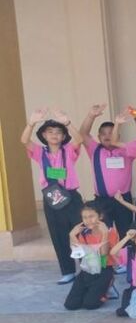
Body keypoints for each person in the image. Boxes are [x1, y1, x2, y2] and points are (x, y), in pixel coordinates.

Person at [21, 108, 84, 284]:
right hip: (51, 197)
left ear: (63, 136)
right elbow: (24, 140)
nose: (54, 135)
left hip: (71, 197)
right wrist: (31, 123)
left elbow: (79, 139)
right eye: (50, 132)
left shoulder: (68, 150)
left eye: (58, 132)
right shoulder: (40, 152)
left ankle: (87, 268)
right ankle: (68, 271)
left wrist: (67, 122)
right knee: (58, 234)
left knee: (81, 233)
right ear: (44, 135)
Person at [76, 104, 134, 235]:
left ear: (118, 135)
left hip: (123, 200)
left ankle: (125, 249)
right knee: (102, 233)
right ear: (99, 136)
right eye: (103, 134)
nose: (107, 136)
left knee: (126, 232)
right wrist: (91, 116)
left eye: (111, 133)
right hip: (102, 200)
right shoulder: (94, 149)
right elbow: (83, 134)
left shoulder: (126, 150)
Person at [65, 202, 119, 310]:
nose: (88, 220)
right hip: (88, 268)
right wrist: (72, 235)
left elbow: (103, 259)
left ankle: (107, 288)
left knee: (90, 304)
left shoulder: (110, 232)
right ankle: (93, 290)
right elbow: (79, 254)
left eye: (91, 216)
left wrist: (105, 235)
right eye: (84, 217)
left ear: (100, 216)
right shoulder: (84, 233)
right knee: (71, 305)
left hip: (104, 269)